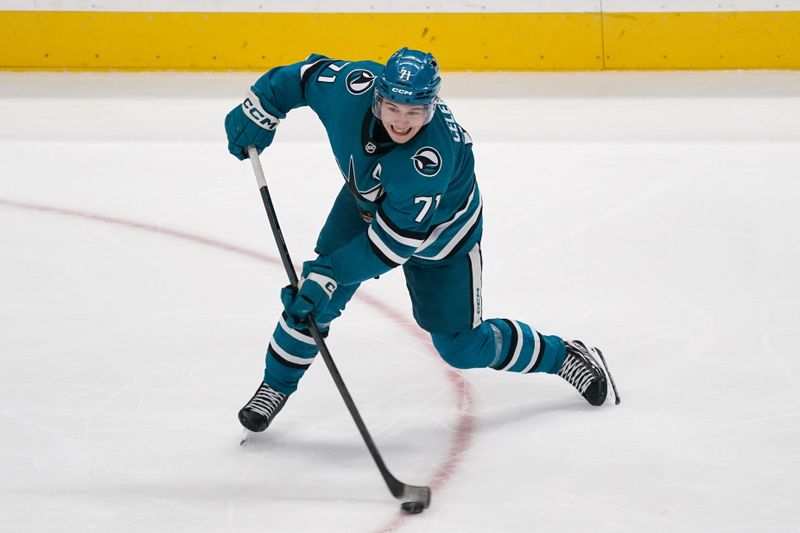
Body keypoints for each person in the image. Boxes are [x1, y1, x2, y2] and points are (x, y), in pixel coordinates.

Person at [225, 48, 616, 433]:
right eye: (393, 108)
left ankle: (562, 355)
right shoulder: (351, 87)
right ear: (376, 96)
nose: (401, 121)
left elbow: (391, 245)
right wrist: (260, 109)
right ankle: (274, 386)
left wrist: (329, 273)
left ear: (430, 107)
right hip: (367, 205)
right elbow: (303, 77)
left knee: (461, 347)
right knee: (311, 303)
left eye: (414, 112)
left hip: (443, 239)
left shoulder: (429, 160)